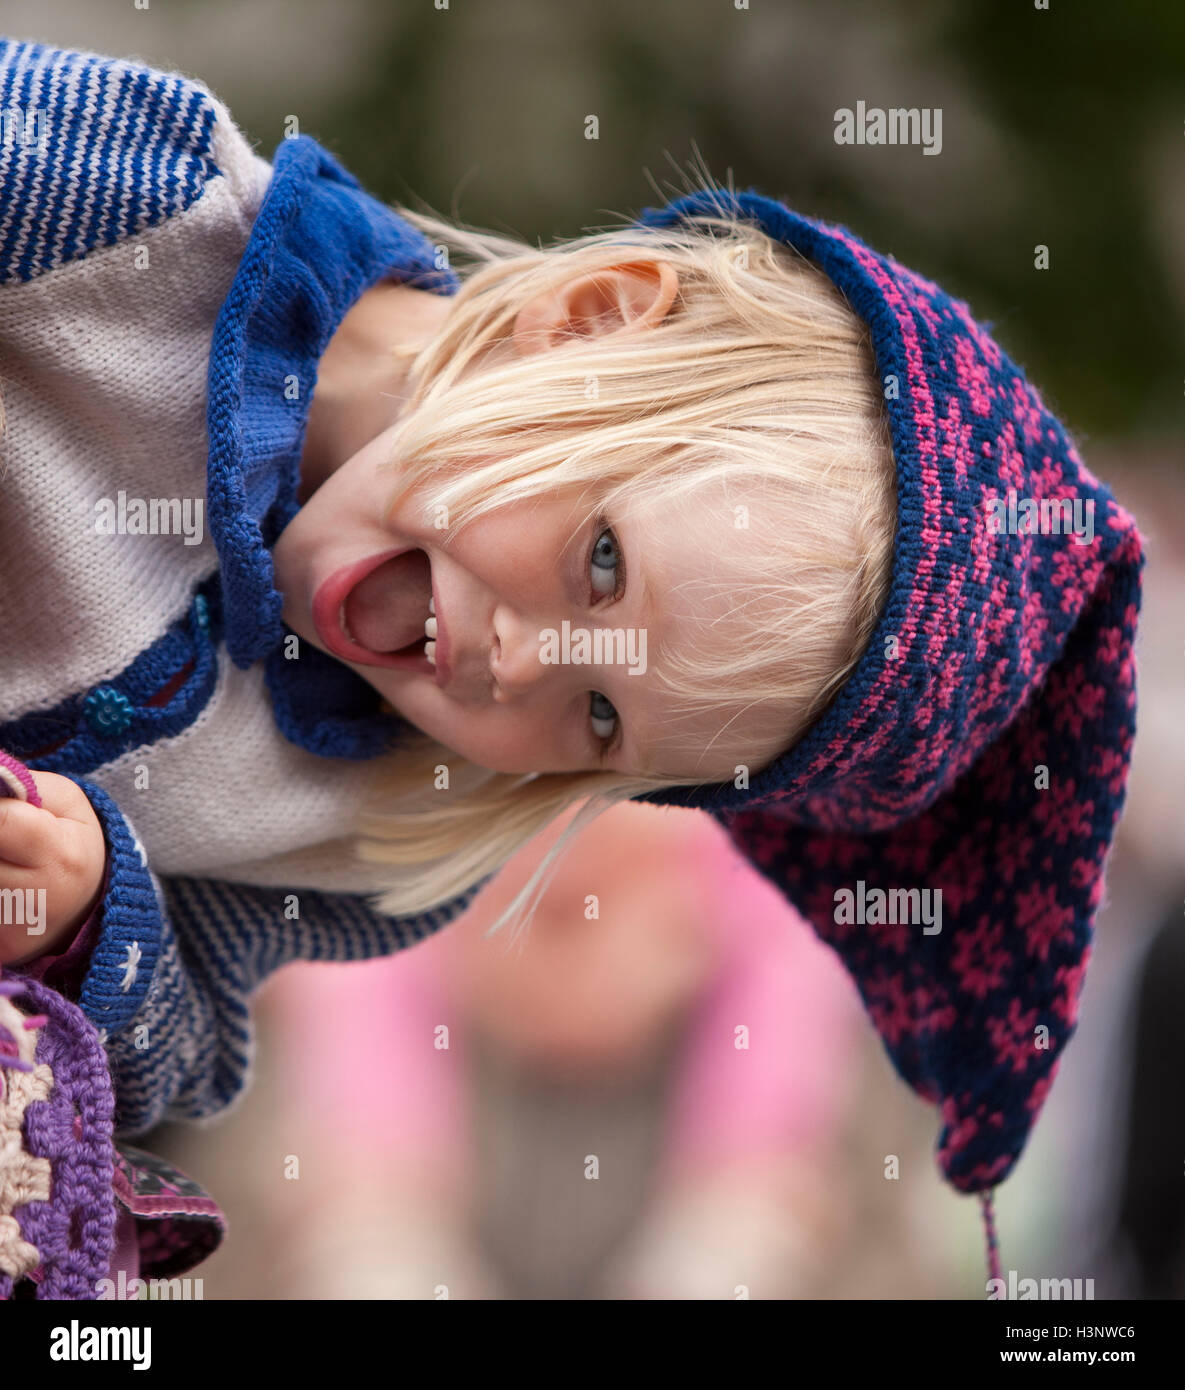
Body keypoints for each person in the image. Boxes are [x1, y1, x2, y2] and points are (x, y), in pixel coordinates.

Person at [0, 35, 1143, 1278]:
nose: (520, 661)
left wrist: (86, 912)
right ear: (583, 321)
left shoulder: (365, 823)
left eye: (600, 719)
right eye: (602, 561)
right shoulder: (128, 203)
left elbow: (175, 1056)